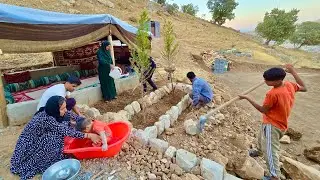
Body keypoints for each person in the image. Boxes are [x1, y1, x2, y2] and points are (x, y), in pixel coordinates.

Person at [238, 64, 307, 180]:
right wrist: (293, 71)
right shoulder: (289, 85)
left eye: (268, 80)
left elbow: (263, 110)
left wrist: (247, 98)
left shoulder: (273, 94)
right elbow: (304, 87)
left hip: (273, 125)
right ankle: (258, 151)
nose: (265, 81)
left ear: (278, 80)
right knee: (261, 137)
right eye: (265, 79)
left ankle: (275, 176)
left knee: (270, 150)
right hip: (277, 122)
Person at [11, 96, 101, 180]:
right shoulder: (46, 119)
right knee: (55, 135)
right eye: (62, 109)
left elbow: (70, 115)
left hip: (39, 138)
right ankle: (47, 160)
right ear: (55, 109)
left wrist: (85, 122)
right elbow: (65, 131)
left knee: (64, 123)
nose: (65, 110)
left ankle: (55, 154)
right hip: (30, 147)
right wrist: (89, 135)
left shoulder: (54, 112)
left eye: (65, 107)